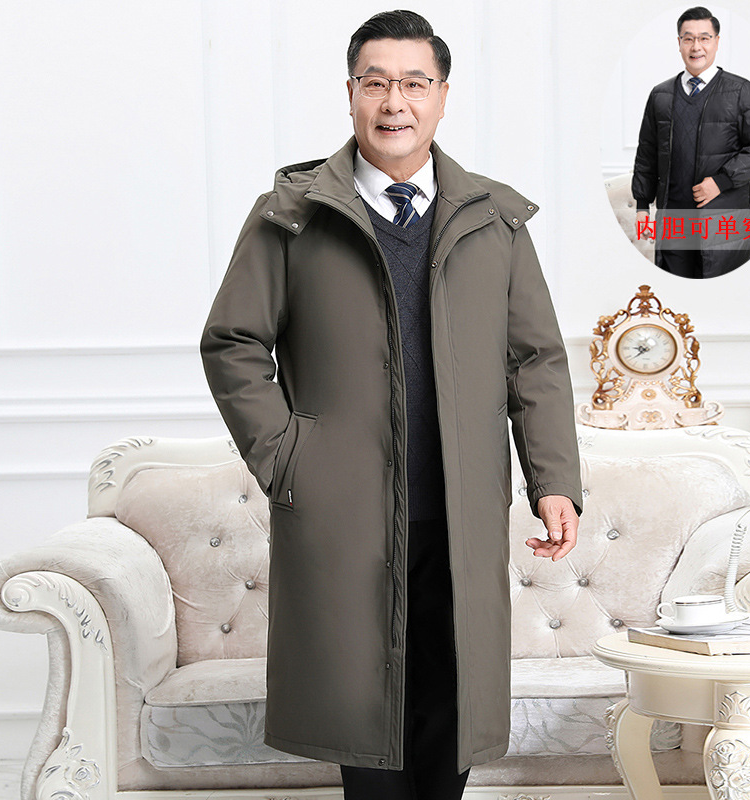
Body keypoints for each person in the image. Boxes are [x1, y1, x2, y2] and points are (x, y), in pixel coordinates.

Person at [201, 10, 581, 800]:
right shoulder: (292, 215)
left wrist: (553, 481)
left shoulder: (495, 221)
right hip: (344, 514)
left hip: (460, 513)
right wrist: (289, 457)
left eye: (414, 83)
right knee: (365, 729)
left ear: (442, 95)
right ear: (350, 94)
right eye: (376, 83)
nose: (394, 102)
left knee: (450, 717)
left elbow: (534, 359)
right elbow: (232, 341)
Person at [632, 6, 750, 279]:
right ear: (679, 43)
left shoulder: (740, 91)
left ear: (716, 42)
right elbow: (647, 152)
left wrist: (721, 181)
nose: (696, 46)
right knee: (676, 293)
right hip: (674, 224)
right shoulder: (660, 95)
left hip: (724, 224)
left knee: (722, 296)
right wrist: (642, 205)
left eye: (704, 38)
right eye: (688, 38)